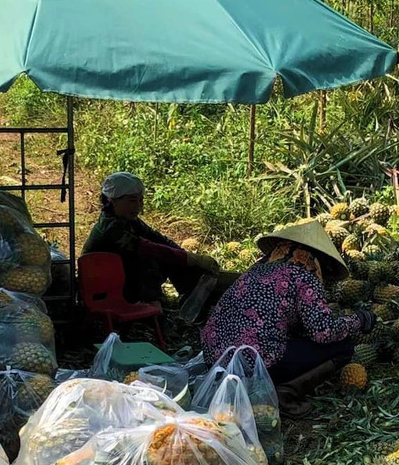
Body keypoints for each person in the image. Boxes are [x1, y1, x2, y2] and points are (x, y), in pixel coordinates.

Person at [201, 220, 374, 417]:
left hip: (214, 358)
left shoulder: (259, 268)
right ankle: (286, 393)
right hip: (252, 364)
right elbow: (324, 333)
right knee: (342, 346)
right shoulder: (305, 276)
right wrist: (358, 320)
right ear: (319, 258)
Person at [83, 172, 223, 306]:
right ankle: (155, 312)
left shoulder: (128, 219)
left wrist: (187, 258)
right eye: (132, 200)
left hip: (122, 278)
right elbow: (147, 249)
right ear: (112, 201)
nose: (138, 206)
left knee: (171, 256)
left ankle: (194, 298)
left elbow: (158, 239)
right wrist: (190, 258)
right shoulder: (110, 227)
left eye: (140, 200)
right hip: (103, 287)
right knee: (149, 260)